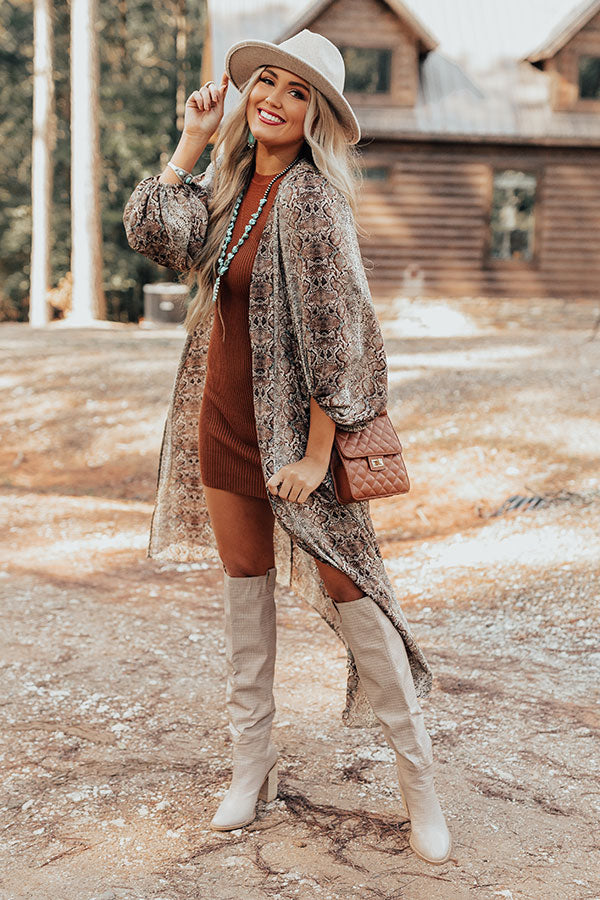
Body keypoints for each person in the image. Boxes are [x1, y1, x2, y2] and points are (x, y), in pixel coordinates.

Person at [123, 29, 452, 865]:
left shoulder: (311, 199)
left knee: (356, 597)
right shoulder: (231, 188)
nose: (271, 97)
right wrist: (193, 143)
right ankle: (252, 769)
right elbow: (157, 236)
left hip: (296, 446)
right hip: (222, 428)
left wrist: (315, 454)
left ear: (316, 116)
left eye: (295, 91)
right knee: (245, 597)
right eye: (264, 82)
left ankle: (419, 784)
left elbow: (337, 339)